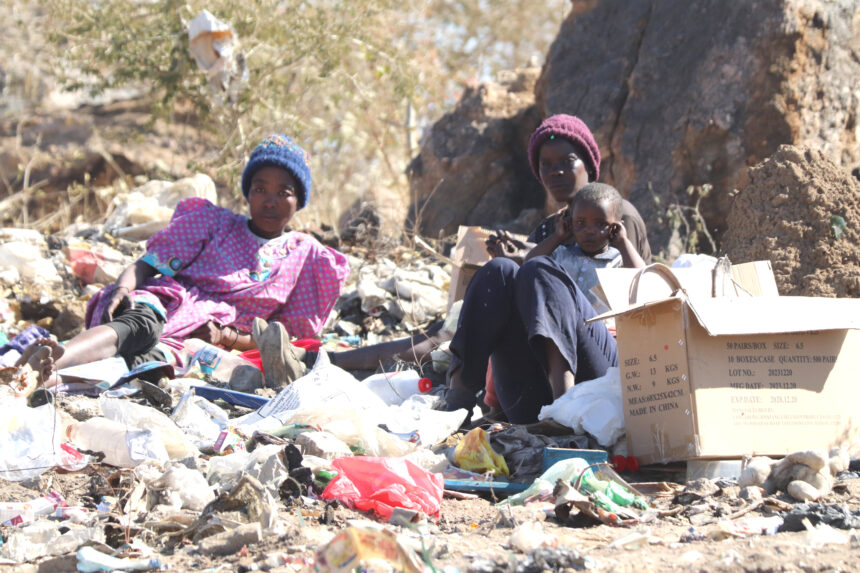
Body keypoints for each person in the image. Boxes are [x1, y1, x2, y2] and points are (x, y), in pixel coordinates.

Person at [17, 134, 350, 388]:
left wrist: (226, 337)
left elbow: (284, 340)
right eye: (261, 189)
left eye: (284, 192)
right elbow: (148, 264)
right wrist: (122, 290)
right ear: (248, 192)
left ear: (299, 200)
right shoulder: (214, 222)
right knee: (140, 325)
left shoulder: (308, 257)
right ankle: (57, 357)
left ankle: (44, 380)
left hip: (203, 343)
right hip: (169, 303)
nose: (270, 201)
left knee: (152, 365)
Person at [441, 114, 652, 424]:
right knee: (499, 270)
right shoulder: (551, 230)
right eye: (546, 164)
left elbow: (642, 292)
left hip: (599, 380)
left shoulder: (618, 216)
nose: (556, 171)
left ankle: (564, 406)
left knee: (539, 269)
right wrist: (524, 255)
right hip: (533, 394)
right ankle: (458, 402)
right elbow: (528, 277)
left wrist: (620, 242)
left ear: (589, 165)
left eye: (567, 161)